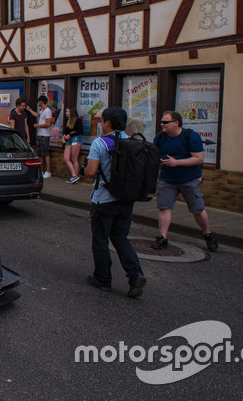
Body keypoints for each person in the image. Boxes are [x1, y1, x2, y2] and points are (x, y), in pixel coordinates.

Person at [81, 106, 146, 297]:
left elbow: (91, 172)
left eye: (102, 120)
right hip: (125, 199)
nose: (101, 123)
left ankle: (103, 279)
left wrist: (81, 170)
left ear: (108, 123)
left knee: (100, 240)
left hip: (103, 200)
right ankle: (135, 274)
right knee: (120, 238)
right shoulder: (131, 142)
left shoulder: (100, 143)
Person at [152, 110, 219, 252]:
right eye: (161, 122)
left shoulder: (190, 136)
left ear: (176, 123)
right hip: (167, 179)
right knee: (164, 207)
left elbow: (199, 159)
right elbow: (155, 154)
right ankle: (162, 237)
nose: (162, 124)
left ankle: (208, 235)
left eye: (165, 122)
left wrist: (177, 163)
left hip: (189, 179)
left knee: (197, 209)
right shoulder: (160, 137)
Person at [34, 96, 53, 178]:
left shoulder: (48, 111)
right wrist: (29, 109)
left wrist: (37, 125)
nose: (38, 103)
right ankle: (41, 170)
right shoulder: (42, 111)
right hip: (40, 134)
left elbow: (48, 124)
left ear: (41, 102)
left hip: (45, 135)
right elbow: (37, 114)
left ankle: (48, 171)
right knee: (40, 153)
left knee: (45, 153)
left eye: (38, 101)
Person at [62, 107, 83, 184]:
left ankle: (75, 176)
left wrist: (71, 134)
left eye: (67, 111)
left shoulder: (78, 120)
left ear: (71, 112)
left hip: (76, 139)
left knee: (74, 158)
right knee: (66, 158)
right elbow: (66, 131)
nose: (66, 113)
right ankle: (74, 175)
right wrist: (65, 135)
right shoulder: (68, 120)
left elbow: (80, 131)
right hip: (69, 140)